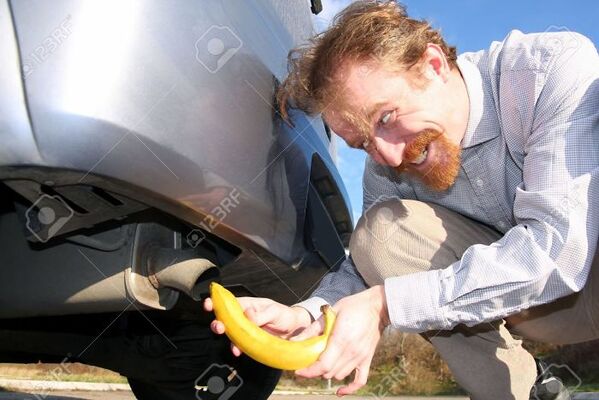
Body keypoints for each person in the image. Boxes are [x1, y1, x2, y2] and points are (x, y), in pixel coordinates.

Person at [204, 1, 599, 398]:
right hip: (537, 310)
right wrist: (310, 314)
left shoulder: (547, 72)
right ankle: (529, 393)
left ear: (433, 65)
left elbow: (559, 253)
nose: (390, 157)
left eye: (386, 118)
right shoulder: (387, 165)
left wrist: (387, 305)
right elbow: (364, 269)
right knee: (381, 234)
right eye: (362, 144)